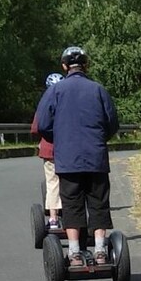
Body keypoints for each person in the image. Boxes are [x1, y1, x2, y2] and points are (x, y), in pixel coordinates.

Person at [34, 46, 120, 264]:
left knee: (72, 203)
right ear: (86, 65)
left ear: (64, 66)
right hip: (96, 156)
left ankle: (73, 252)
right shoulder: (98, 90)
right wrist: (97, 140)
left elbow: (43, 124)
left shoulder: (55, 91)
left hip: (68, 158)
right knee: (98, 202)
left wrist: (61, 138)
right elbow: (112, 124)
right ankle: (100, 249)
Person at [31, 72, 63, 233]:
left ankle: (53, 218)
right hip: (68, 149)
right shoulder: (68, 105)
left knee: (52, 183)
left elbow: (36, 128)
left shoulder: (44, 105)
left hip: (49, 149)